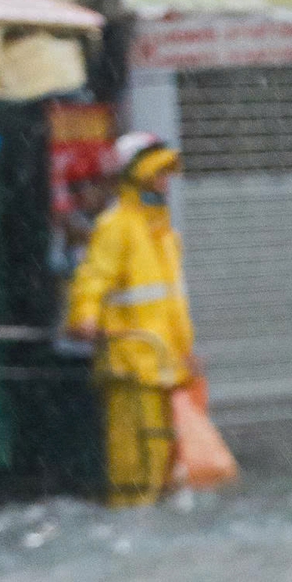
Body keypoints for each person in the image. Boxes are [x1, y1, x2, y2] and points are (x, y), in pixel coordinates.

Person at [65, 134, 199, 507]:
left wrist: (186, 351)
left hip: (163, 363)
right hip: (129, 363)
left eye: (168, 173)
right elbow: (93, 276)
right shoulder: (117, 225)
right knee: (132, 463)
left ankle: (149, 524)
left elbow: (173, 301)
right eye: (158, 173)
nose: (165, 181)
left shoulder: (164, 234)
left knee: (163, 461)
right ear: (135, 175)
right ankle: (129, 521)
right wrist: (85, 317)